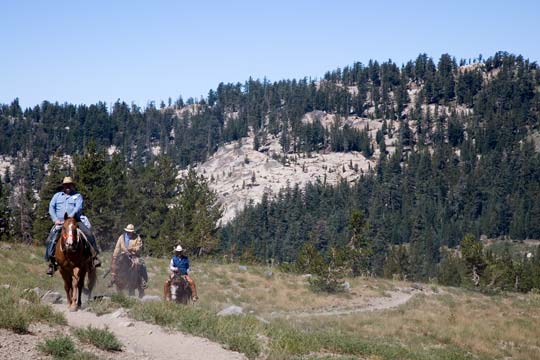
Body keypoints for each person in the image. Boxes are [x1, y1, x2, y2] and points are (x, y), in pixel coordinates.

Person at [44, 177, 101, 276]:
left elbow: (78, 207)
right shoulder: (57, 196)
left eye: (69, 185)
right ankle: (51, 262)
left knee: (88, 233)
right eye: (66, 185)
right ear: (63, 186)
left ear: (72, 186)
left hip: (75, 221)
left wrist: (70, 217)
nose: (68, 187)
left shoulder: (77, 196)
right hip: (60, 222)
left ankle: (94, 256)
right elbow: (51, 208)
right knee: (50, 239)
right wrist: (55, 219)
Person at [110, 224, 148, 288]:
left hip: (134, 255)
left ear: (133, 232)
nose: (129, 233)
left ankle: (141, 279)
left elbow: (139, 247)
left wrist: (132, 249)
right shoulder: (121, 237)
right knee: (115, 263)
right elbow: (117, 247)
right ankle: (113, 278)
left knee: (137, 263)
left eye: (130, 232)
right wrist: (114, 256)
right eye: (128, 231)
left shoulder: (137, 237)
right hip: (123, 253)